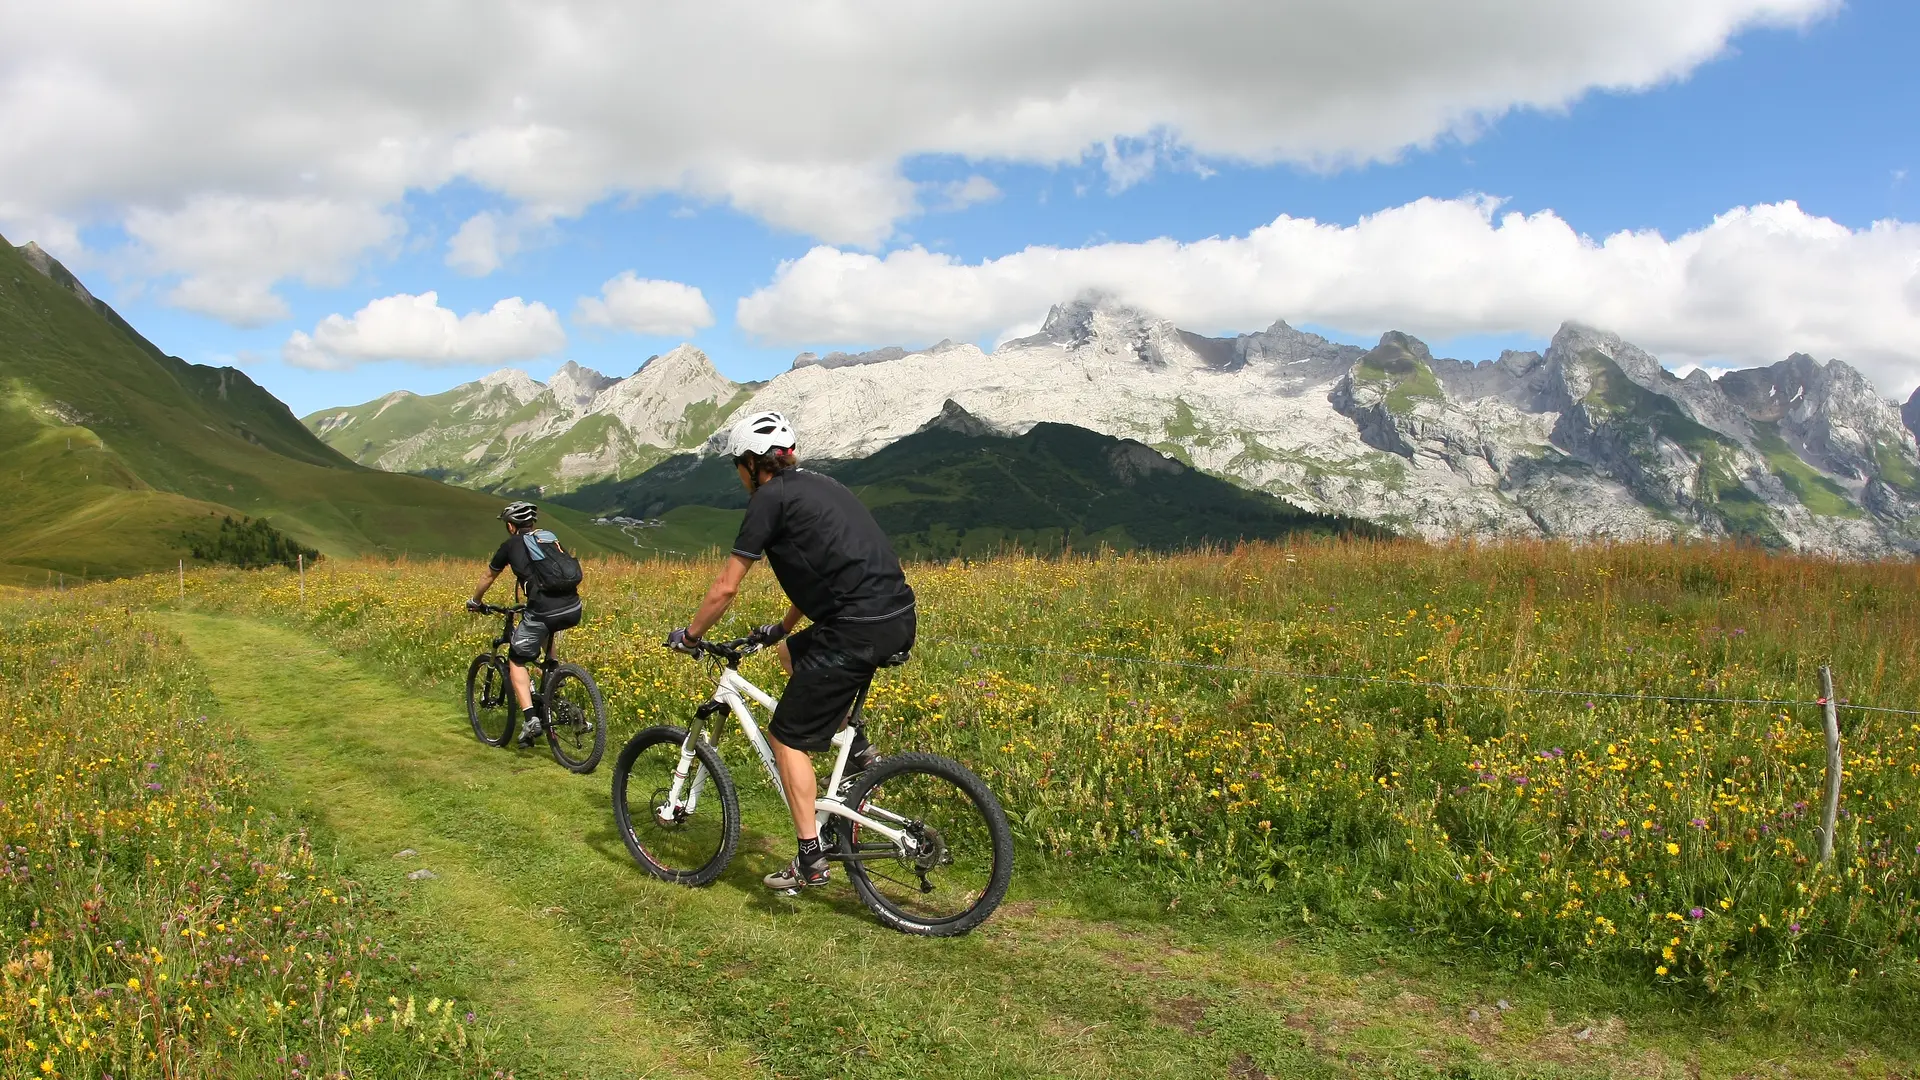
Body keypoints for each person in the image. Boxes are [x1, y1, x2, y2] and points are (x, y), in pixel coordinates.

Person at [669, 410, 916, 891]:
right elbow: (820, 569)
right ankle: (856, 749)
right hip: (895, 617)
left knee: (786, 736)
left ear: (751, 463)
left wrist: (692, 636)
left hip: (854, 630)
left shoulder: (767, 499)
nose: (738, 475)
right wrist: (782, 629)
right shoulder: (822, 485)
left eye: (737, 467)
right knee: (790, 655)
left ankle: (810, 857)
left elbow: (726, 587)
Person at [467, 501, 584, 746]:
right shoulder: (548, 537)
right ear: (531, 523)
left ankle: (531, 720)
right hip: (573, 607)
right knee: (545, 630)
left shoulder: (510, 545)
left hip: (543, 609)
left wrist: (475, 601)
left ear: (511, 526)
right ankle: (554, 676)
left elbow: (489, 575)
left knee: (516, 659)